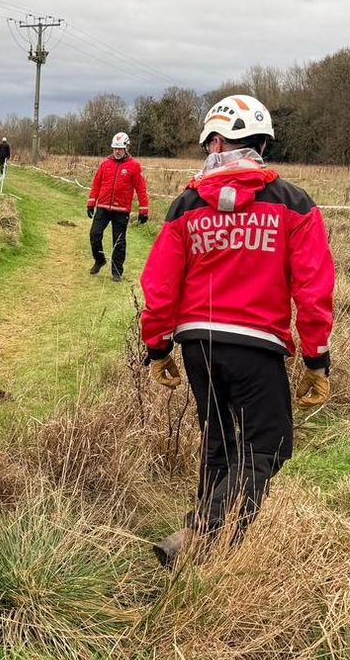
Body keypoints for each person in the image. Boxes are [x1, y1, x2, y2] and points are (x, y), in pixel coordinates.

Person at [141, 94, 334, 568]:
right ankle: (202, 535)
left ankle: (201, 552)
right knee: (267, 445)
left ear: (218, 141)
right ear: (260, 144)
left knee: (222, 442)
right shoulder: (292, 202)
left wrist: (158, 347)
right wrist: (316, 359)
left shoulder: (187, 204)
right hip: (258, 345)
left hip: (196, 344)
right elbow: (313, 287)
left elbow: (160, 283)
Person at [87, 131, 149, 283]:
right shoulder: (105, 164)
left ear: (127, 148)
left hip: (121, 211)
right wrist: (91, 202)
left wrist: (143, 210)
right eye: (115, 148)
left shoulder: (134, 166)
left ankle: (117, 271)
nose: (117, 151)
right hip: (102, 207)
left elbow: (141, 189)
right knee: (94, 235)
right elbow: (96, 184)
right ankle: (100, 260)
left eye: (120, 148)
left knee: (119, 242)